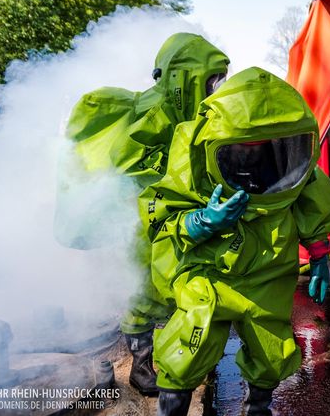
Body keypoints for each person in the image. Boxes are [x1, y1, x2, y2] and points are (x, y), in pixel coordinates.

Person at [139, 67, 330, 416]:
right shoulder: (192, 150)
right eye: (244, 152)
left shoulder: (297, 162)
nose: (258, 161)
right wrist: (201, 222)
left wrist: (320, 254)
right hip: (209, 270)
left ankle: (257, 408)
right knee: (188, 345)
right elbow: (160, 212)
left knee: (270, 347)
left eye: (270, 150)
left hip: (269, 271)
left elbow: (311, 195)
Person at [62, 33, 230, 395]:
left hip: (172, 215)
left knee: (173, 285)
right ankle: (141, 369)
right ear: (185, 77)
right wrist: (170, 180)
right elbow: (126, 162)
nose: (217, 86)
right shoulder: (154, 112)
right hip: (145, 220)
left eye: (220, 78)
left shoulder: (190, 110)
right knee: (144, 291)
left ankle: (173, 359)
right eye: (212, 78)